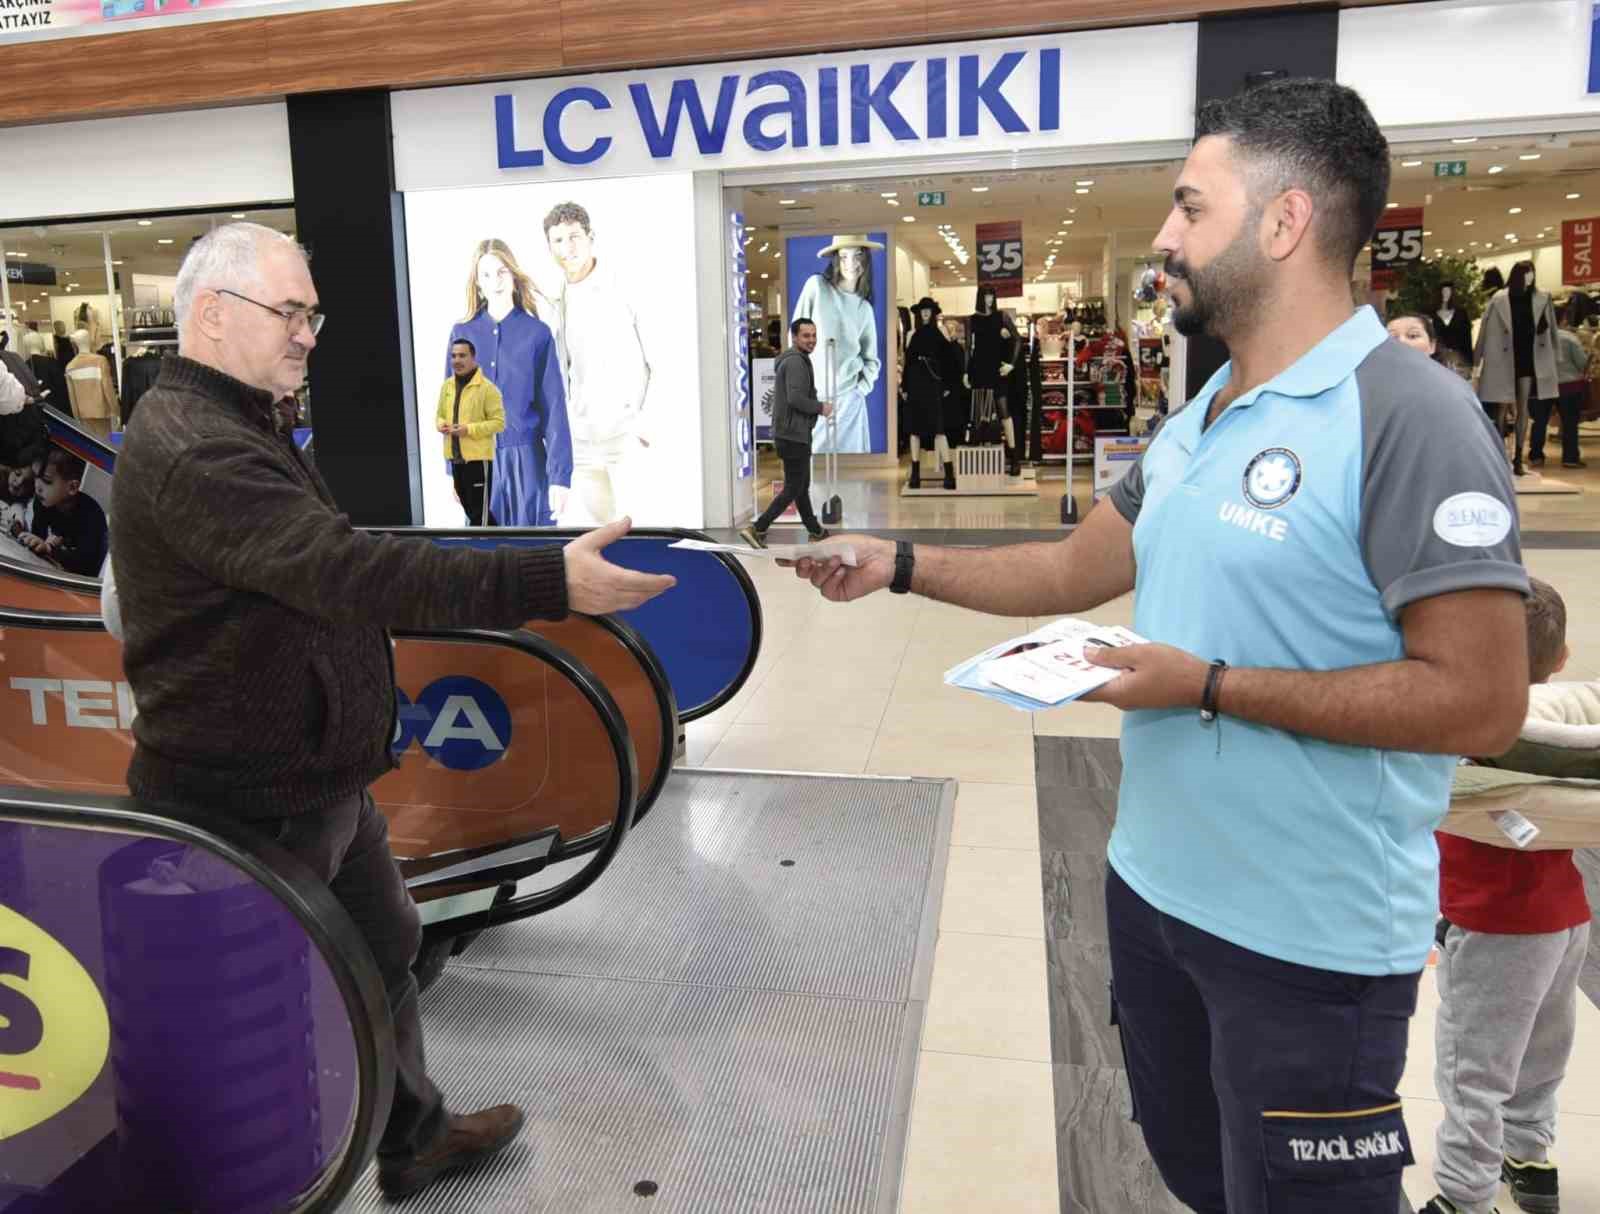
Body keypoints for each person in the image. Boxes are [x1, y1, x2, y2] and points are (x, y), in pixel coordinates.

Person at [786, 79, 1529, 1213]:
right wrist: (895, 562)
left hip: (1306, 943)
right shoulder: (1209, 410)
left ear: (1283, 222)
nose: (1166, 238)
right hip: (1153, 893)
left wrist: (1212, 685)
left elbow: (1478, 699)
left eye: (1190, 207)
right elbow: (1073, 567)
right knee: (1195, 1179)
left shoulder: (1411, 415)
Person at [109, 222, 674, 1201]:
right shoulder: (197, 446)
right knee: (256, 1021)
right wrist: (548, 577)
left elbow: (317, 558)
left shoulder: (244, 419)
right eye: (290, 312)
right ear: (211, 313)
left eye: (311, 314)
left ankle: (411, 1134)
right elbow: (345, 568)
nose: (308, 334)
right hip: (247, 797)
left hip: (315, 778)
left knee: (383, 947)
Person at [1426, 578, 1586, 1214]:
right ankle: (1531, 1159)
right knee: (1541, 1055)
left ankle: (1465, 1197)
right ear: (1563, 660)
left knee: (1474, 1070)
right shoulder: (1561, 734)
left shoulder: (1468, 729)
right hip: (1566, 916)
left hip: (1496, 927)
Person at [447, 238, 571, 526]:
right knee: (483, 558)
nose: (496, 281)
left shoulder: (537, 334)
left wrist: (560, 477)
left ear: (513, 275)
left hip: (527, 460)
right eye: (487, 274)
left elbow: (554, 408)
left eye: (502, 271)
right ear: (478, 283)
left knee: (534, 554)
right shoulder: (461, 333)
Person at [543, 201, 650, 526]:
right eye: (558, 240)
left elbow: (661, 357)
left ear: (591, 237)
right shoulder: (554, 297)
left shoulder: (624, 286)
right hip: (581, 437)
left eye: (574, 237)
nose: (567, 247)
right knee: (596, 535)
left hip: (624, 432)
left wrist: (644, 425)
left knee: (638, 528)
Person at [738, 318, 831, 547]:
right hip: (793, 434)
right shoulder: (796, 363)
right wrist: (820, 407)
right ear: (794, 337)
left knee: (800, 486)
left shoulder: (795, 360)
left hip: (792, 433)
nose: (811, 340)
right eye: (806, 336)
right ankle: (758, 527)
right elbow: (795, 398)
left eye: (813, 335)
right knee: (794, 487)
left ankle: (815, 530)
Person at [795, 235, 882, 454]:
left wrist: (859, 390)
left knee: (852, 472)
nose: (850, 264)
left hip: (849, 402)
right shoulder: (816, 287)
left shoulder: (864, 309)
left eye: (857, 256)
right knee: (811, 468)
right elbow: (794, 339)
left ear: (866, 259)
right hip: (814, 399)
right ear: (836, 260)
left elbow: (871, 360)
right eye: (843, 257)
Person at [435, 337, 504, 526]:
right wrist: (441, 425)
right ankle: (501, 543)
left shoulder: (488, 389)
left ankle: (487, 551)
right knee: (472, 510)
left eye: (462, 355)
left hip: (477, 461)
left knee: (478, 515)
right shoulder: (447, 386)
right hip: (456, 458)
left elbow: (499, 423)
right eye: (454, 356)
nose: (457, 360)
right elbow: (439, 415)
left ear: (473, 358)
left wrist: (468, 429)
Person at [23, 449, 107, 576]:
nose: (38, 486)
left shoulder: (91, 515)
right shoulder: (43, 500)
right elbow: (38, 537)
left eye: (47, 481)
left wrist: (50, 549)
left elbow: (87, 564)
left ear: (72, 487)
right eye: (36, 477)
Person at [1530, 309, 1588, 470]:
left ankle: (1536, 456)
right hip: (1569, 387)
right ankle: (1570, 458)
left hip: (1541, 385)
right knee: (1570, 423)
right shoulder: (1570, 338)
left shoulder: (1535, 339)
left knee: (1539, 422)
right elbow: (1582, 364)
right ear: (1562, 319)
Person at [65, 328, 119, 441]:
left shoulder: (70, 367)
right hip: (101, 413)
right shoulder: (100, 361)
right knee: (106, 445)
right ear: (89, 340)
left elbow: (72, 397)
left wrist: (76, 417)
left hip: (83, 415)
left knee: (91, 447)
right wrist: (117, 411)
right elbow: (108, 389)